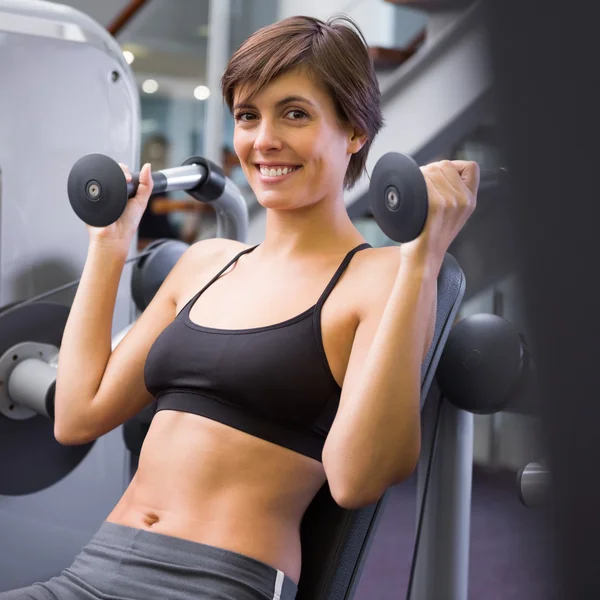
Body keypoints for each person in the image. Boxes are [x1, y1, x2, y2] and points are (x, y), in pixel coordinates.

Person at [1, 14, 479, 600]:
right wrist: (108, 244)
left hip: (218, 582)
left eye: (295, 114)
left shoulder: (380, 279)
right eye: (248, 116)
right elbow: (77, 414)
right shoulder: (207, 262)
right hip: (93, 568)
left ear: (355, 131)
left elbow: (358, 479)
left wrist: (423, 259)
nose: (264, 140)